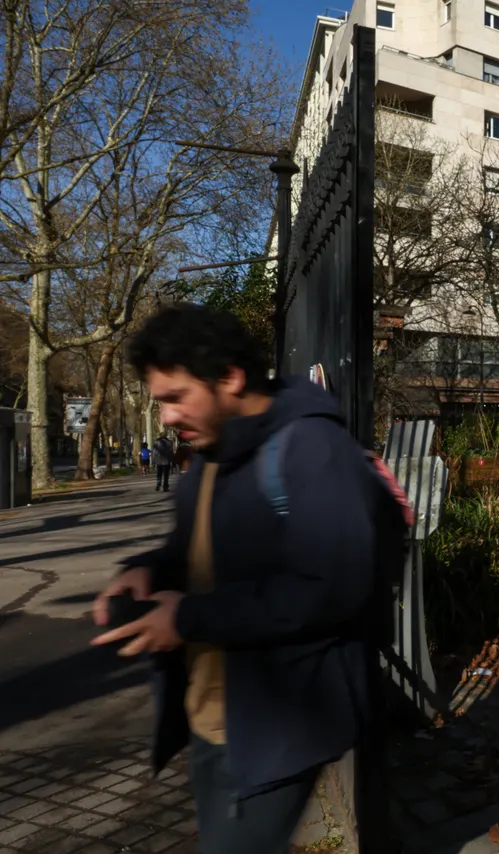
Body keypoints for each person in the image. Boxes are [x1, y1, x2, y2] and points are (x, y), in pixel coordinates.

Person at [90, 304, 380, 854]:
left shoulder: (313, 449)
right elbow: (192, 551)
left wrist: (187, 617)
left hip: (277, 729)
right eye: (161, 402)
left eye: (177, 397)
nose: (167, 417)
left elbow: (332, 587)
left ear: (229, 377)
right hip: (212, 719)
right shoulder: (211, 451)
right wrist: (146, 570)